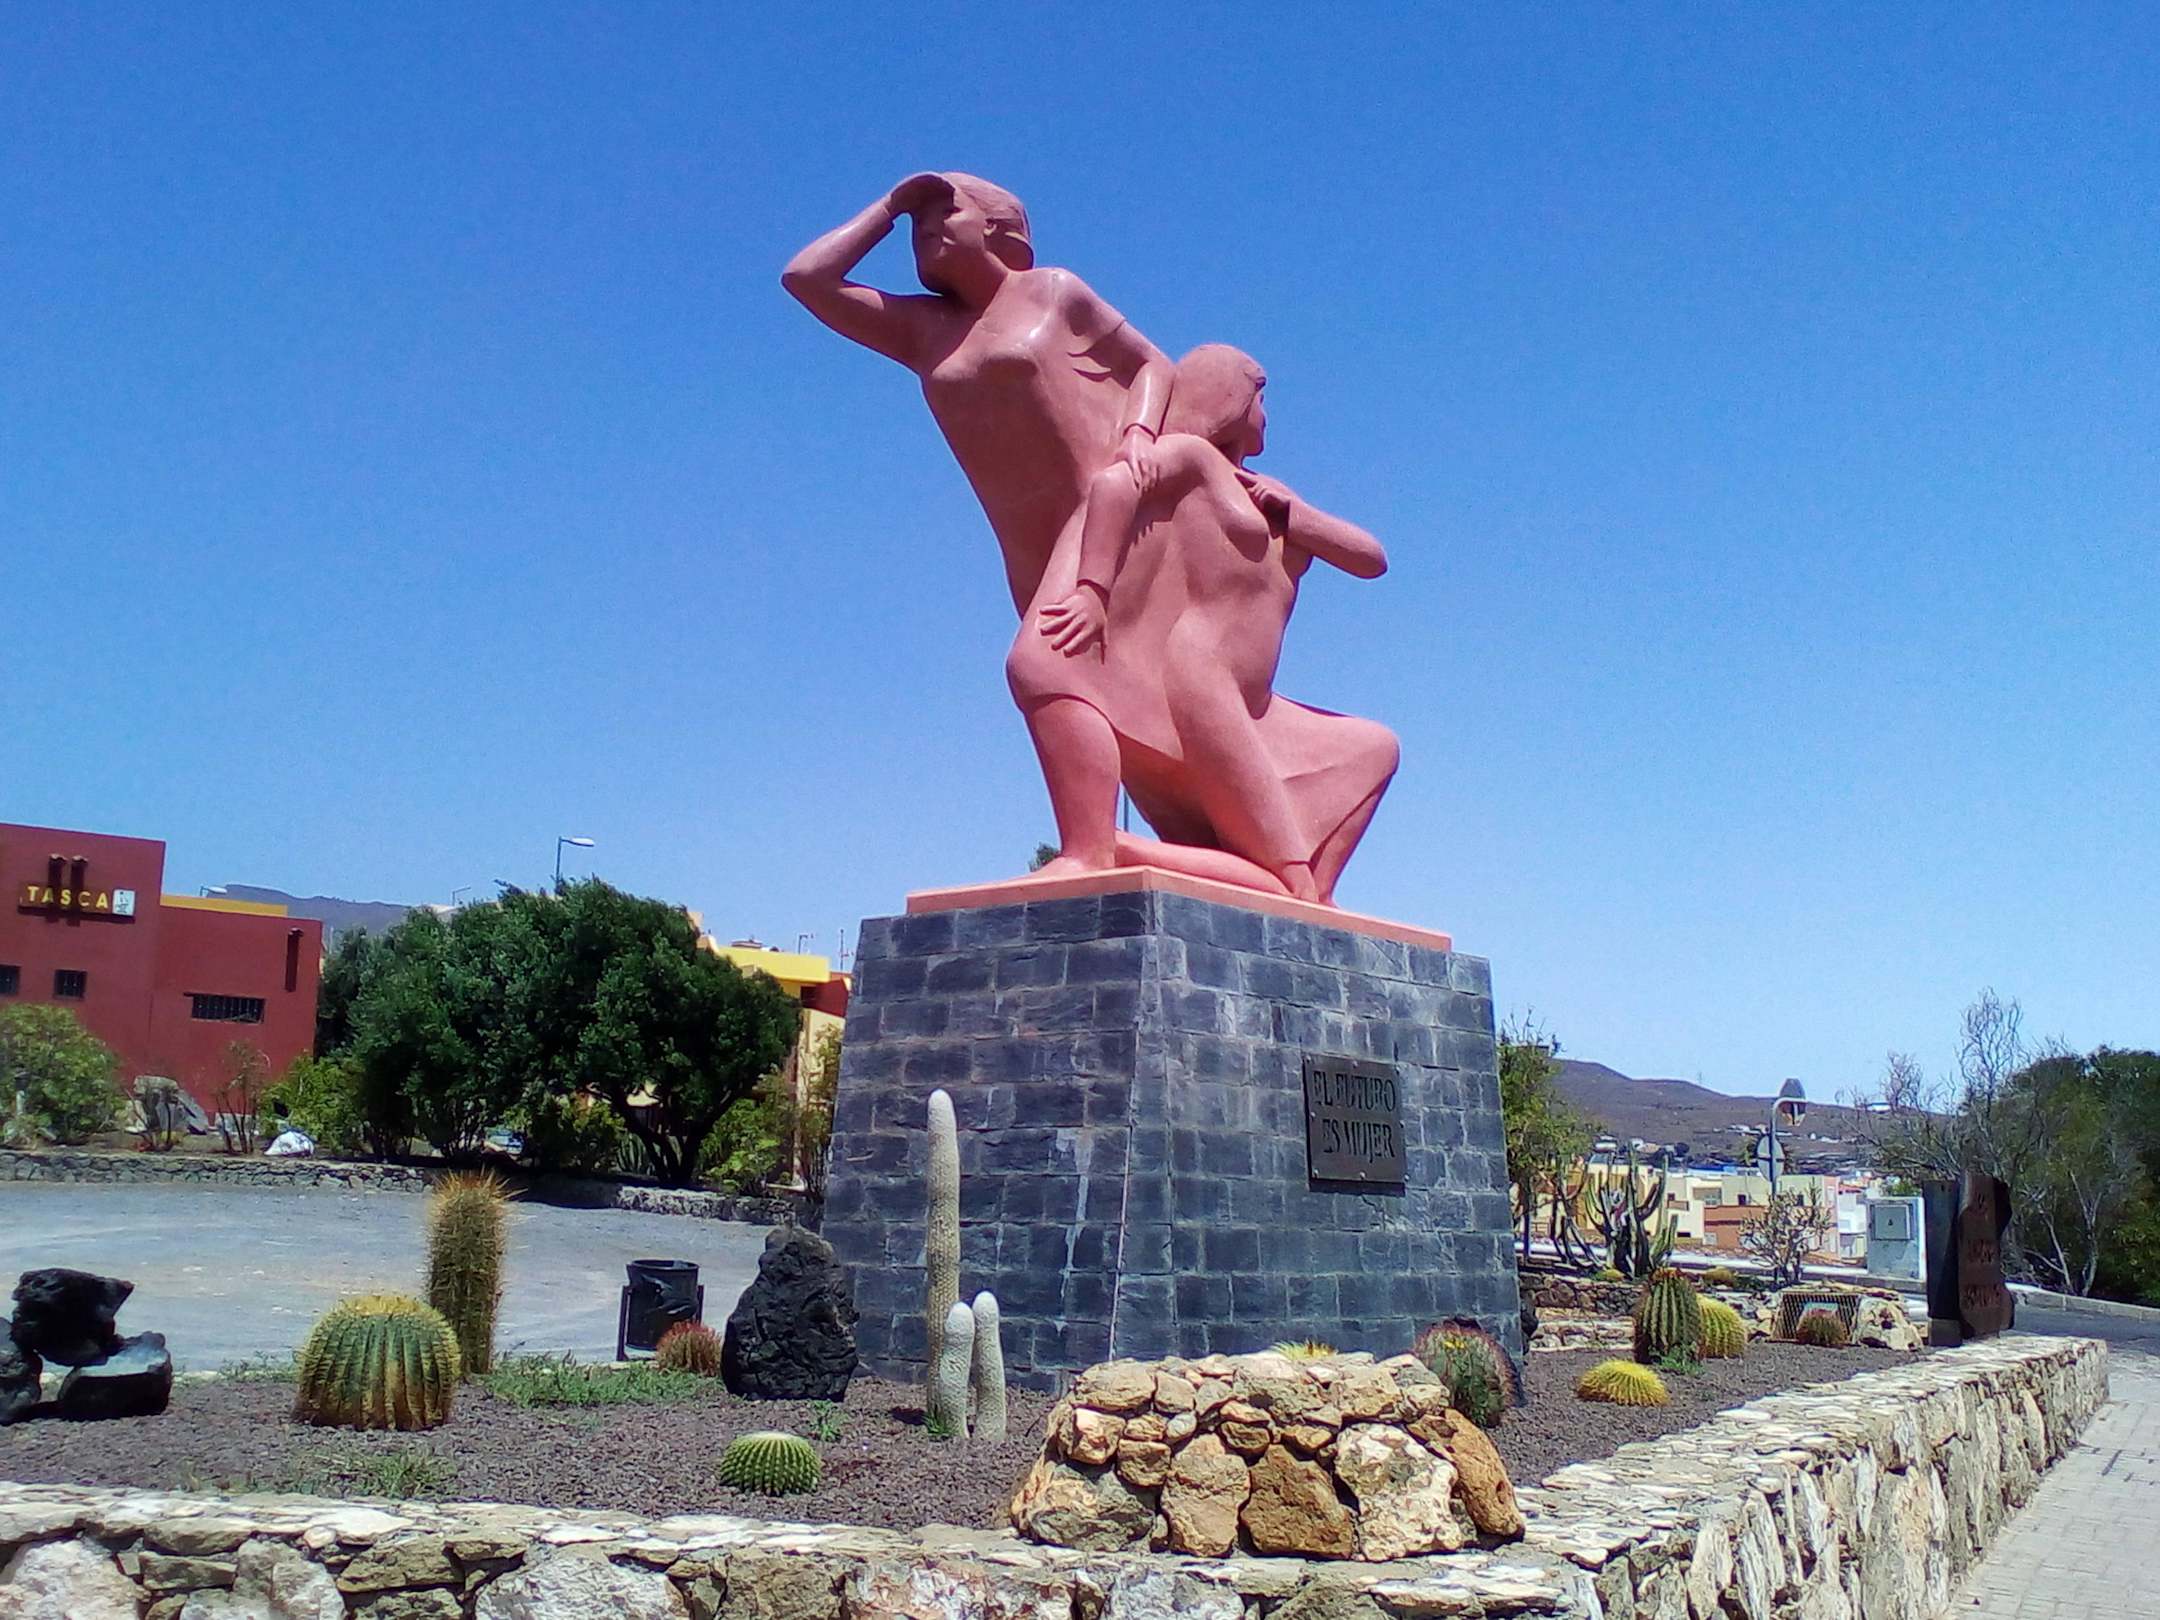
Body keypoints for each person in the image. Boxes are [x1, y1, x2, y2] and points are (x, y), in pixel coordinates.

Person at [782, 175, 1172, 874]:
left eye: (944, 210)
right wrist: (888, 207)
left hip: (1104, 521)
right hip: (1027, 551)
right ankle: (1205, 851)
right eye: (917, 220)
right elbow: (807, 279)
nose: (925, 226)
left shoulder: (1053, 292)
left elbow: (1152, 364)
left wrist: (1139, 433)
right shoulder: (922, 329)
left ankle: (1087, 854)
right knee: (1113, 703)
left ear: (996, 226)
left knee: (1040, 665)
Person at [1031, 345, 1400, 903]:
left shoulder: (1271, 493)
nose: (1266, 415)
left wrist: (1294, 514)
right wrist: (1092, 591)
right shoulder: (1192, 458)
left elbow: (1371, 559)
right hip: (1206, 685)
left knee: (1374, 750)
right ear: (1230, 398)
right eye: (1260, 399)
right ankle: (1122, 851)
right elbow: (1113, 488)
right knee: (1288, 881)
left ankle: (1313, 902)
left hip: (1259, 706)